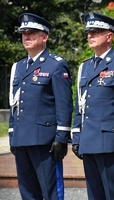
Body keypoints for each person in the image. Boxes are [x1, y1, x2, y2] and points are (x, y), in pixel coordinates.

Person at [71, 11, 114, 200]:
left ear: (109, 36)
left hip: (109, 142)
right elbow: (80, 105)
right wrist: (77, 136)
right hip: (89, 140)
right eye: (89, 32)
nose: (90, 35)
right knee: (95, 195)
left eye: (95, 32)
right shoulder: (85, 67)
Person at [8, 13, 73, 200]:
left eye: (32, 33)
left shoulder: (55, 65)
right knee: (28, 193)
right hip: (21, 140)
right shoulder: (18, 67)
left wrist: (61, 137)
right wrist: (12, 133)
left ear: (44, 37)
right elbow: (14, 104)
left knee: (51, 192)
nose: (26, 37)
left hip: (45, 141)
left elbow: (64, 104)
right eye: (24, 33)